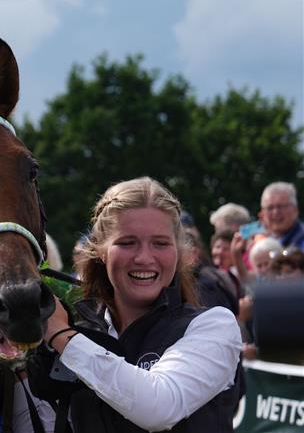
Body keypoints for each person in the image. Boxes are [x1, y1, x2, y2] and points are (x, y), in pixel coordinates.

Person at [32, 177, 242, 432]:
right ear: (101, 250)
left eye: (160, 243)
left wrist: (60, 334)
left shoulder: (214, 325)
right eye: (127, 242)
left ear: (178, 250)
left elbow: (159, 407)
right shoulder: (83, 334)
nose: (144, 257)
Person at [259, 181, 304, 249]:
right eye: (270, 208)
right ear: (262, 214)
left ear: (295, 210)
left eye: (281, 206)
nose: (275, 212)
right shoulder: (258, 244)